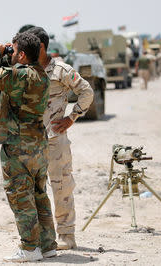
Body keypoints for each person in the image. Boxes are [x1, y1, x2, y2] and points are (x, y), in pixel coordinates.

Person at [0, 32, 57, 262]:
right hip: (38, 145)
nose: (10, 52)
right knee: (39, 194)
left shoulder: (19, 76)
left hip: (17, 145)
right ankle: (47, 244)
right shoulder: (40, 74)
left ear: (22, 54)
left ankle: (30, 248)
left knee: (21, 197)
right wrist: (5, 56)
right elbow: (10, 73)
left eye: (14, 50)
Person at [28, 26, 93, 250]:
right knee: (35, 190)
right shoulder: (26, 70)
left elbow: (86, 91)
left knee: (61, 186)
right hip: (31, 141)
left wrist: (72, 117)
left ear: (42, 47)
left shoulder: (61, 70)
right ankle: (41, 237)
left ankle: (66, 235)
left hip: (55, 140)